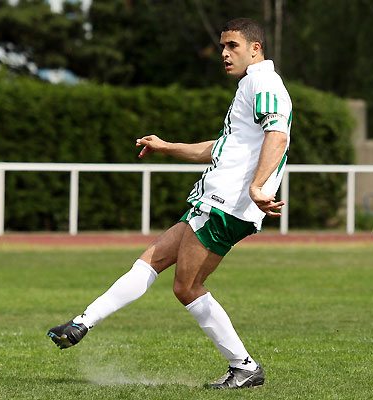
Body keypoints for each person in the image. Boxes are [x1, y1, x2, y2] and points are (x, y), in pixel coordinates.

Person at [48, 17, 292, 390]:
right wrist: (166, 146)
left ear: (255, 49)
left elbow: (278, 134)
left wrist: (258, 187)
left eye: (233, 46)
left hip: (227, 204)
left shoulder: (264, 81)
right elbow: (220, 148)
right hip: (215, 199)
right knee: (151, 259)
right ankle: (83, 321)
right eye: (223, 47)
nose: (225, 54)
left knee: (186, 287)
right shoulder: (250, 85)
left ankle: (244, 366)